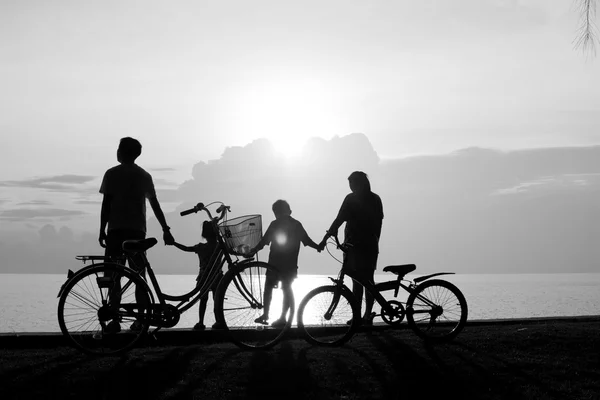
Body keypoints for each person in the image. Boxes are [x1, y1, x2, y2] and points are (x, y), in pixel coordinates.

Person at [99, 137, 175, 333]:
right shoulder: (144, 176)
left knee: (115, 276)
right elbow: (154, 204)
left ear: (122, 152)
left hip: (115, 231)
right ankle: (141, 320)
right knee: (139, 277)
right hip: (137, 231)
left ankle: (115, 320)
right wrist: (165, 229)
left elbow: (106, 204)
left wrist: (101, 229)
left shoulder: (111, 174)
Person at [320, 171, 383, 326]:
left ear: (360, 183)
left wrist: (325, 239)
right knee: (366, 280)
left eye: (353, 183)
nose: (351, 187)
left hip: (356, 245)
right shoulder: (374, 198)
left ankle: (363, 315)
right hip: (365, 245)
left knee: (361, 281)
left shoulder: (354, 199)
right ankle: (362, 315)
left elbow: (339, 220)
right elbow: (378, 225)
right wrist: (375, 241)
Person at [250, 200, 322, 327]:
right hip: (289, 264)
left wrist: (253, 251)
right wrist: (318, 246)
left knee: (269, 289)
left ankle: (266, 314)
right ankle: (283, 318)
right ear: (289, 211)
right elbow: (307, 240)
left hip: (274, 263)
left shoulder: (275, 224)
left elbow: (264, 241)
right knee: (286, 290)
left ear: (275, 213)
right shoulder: (296, 224)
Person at [172, 220, 224, 330]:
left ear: (204, 235)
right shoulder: (219, 247)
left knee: (203, 300)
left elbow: (186, 248)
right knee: (217, 301)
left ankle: (201, 322)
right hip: (217, 276)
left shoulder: (201, 247)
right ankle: (219, 321)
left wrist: (174, 243)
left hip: (204, 277)